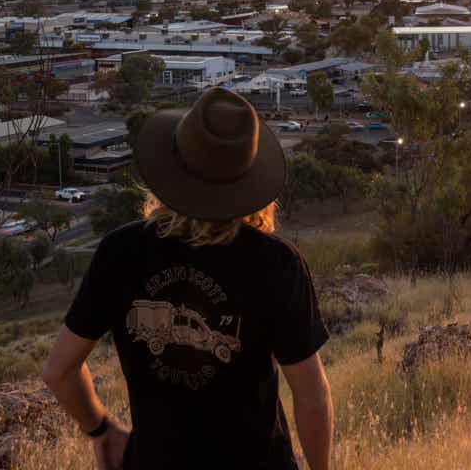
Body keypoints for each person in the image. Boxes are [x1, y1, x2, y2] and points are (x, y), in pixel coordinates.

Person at [42, 87, 333, 469]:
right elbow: (311, 396)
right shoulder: (276, 263)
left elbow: (59, 371)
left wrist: (100, 429)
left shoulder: (122, 251)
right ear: (247, 183)